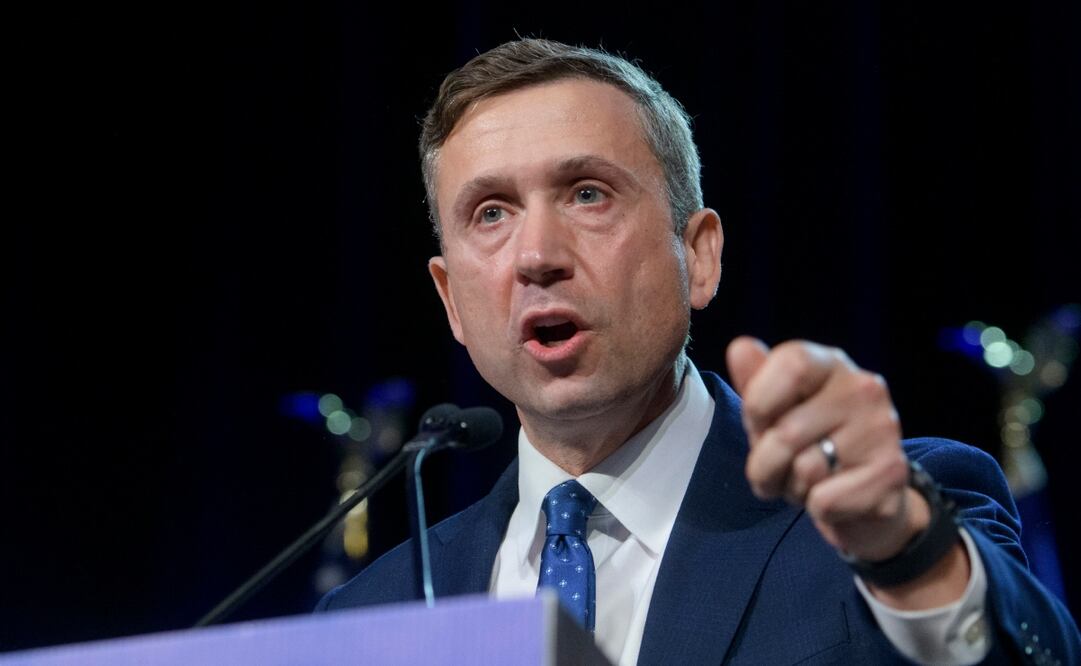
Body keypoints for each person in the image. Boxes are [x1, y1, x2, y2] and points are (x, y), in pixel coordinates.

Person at [317, 39, 1079, 664]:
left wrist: (905, 553)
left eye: (587, 193)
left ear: (700, 255)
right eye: (490, 212)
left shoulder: (881, 520)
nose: (536, 255)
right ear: (451, 299)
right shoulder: (371, 617)